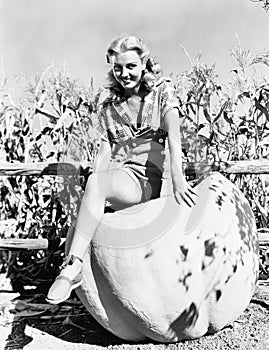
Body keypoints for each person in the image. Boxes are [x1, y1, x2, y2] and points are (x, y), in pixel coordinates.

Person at [46, 35, 196, 304]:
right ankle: (74, 265)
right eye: (118, 68)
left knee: (99, 185)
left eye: (131, 66)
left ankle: (73, 266)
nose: (124, 73)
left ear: (143, 64)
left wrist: (179, 180)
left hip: (149, 178)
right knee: (95, 185)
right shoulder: (109, 106)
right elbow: (104, 152)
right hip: (124, 177)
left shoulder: (162, 92)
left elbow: (174, 137)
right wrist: (94, 189)